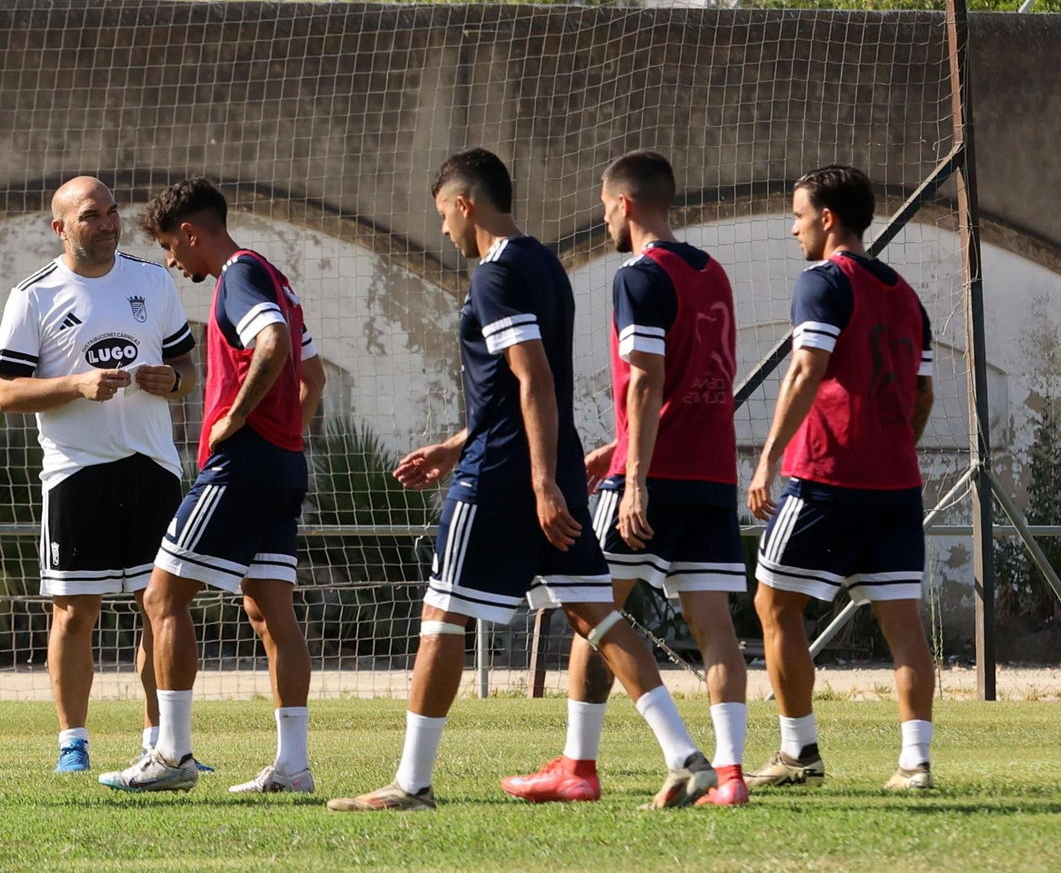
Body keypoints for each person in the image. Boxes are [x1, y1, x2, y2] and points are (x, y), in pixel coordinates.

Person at [328, 148, 715, 812]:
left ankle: (411, 783)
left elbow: (533, 376)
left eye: (444, 213)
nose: (444, 229)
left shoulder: (495, 274)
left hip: (508, 478)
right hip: (548, 464)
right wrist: (458, 446)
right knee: (598, 614)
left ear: (466, 203)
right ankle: (685, 757)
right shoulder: (547, 266)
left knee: (442, 616)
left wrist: (537, 484)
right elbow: (518, 388)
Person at [501, 151, 749, 807]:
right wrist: (616, 450)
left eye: (605, 205)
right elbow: (692, 387)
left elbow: (646, 377)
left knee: (591, 606)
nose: (603, 217)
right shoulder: (713, 273)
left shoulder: (639, 275)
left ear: (627, 204)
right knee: (715, 625)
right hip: (712, 476)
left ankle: (579, 765)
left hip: (655, 479)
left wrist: (631, 477)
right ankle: (731, 776)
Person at [98, 178, 326, 795]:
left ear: (193, 234)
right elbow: (314, 376)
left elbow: (272, 345)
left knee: (161, 597)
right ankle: (293, 767)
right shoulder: (277, 276)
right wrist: (285, 437)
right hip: (283, 466)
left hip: (243, 466)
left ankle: (171, 756)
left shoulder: (239, 277)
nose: (173, 261)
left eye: (173, 246)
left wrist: (237, 418)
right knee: (269, 608)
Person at [0, 176, 199, 773]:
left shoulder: (152, 280)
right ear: (61, 227)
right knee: (75, 612)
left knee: (158, 606)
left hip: (152, 466)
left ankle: (159, 743)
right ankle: (72, 744)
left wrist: (176, 382)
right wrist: (76, 385)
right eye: (92, 215)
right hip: (76, 470)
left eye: (112, 212)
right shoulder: (31, 297)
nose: (108, 223)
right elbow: (5, 391)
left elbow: (187, 366)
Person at [746, 164, 938, 791]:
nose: (793, 227)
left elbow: (806, 370)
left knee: (774, 602)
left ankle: (799, 752)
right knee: (903, 624)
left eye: (798, 215)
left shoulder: (823, 280)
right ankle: (915, 764)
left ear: (827, 219)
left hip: (828, 477)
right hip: (897, 485)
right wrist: (893, 446)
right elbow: (923, 392)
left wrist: (770, 454)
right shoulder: (907, 293)